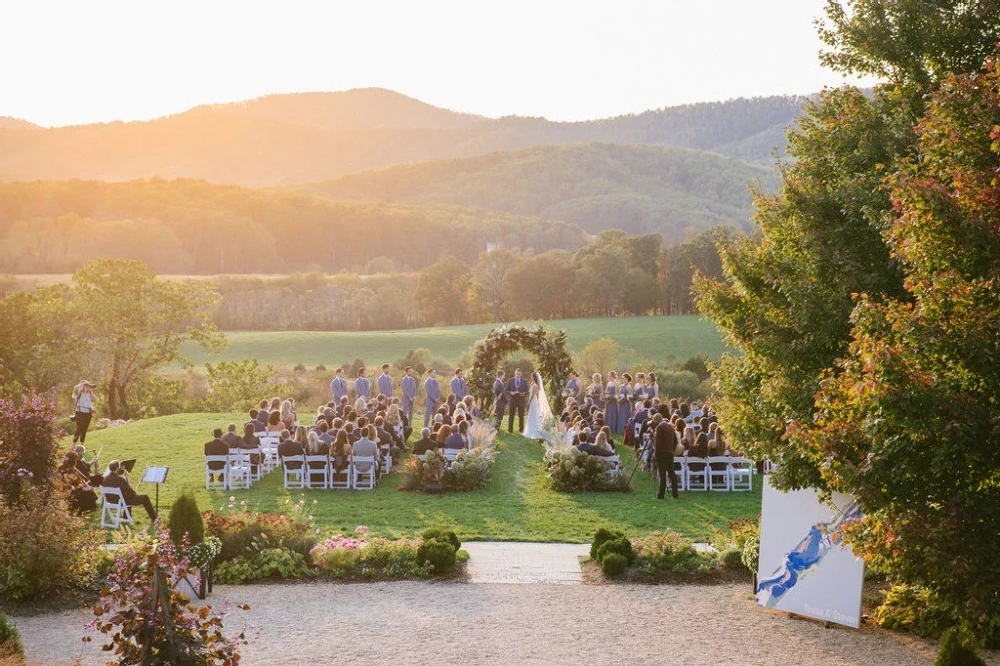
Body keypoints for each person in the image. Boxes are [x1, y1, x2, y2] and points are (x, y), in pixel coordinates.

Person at [654, 415, 680, 499]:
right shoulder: (671, 426)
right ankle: (675, 493)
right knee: (671, 473)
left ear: (656, 421)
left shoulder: (660, 428)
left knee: (662, 474)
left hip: (661, 453)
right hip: (669, 452)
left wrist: (656, 453)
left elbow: (658, 443)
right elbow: (675, 441)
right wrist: (671, 449)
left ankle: (661, 494)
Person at [522, 371, 554, 439]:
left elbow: (533, 395)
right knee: (532, 415)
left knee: (534, 415)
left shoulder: (535, 385)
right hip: (535, 401)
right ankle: (531, 429)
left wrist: (529, 402)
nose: (531, 377)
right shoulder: (534, 384)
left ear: (534, 377)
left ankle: (534, 430)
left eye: (531, 376)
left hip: (533, 401)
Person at [71, 380, 97, 445]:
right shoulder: (78, 393)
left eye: (88, 386)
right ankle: (74, 443)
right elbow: (75, 388)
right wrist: (84, 383)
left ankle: (82, 443)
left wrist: (91, 391)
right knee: (79, 428)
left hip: (88, 413)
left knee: (84, 428)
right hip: (80, 412)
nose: (87, 387)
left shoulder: (89, 393)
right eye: (86, 386)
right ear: (82, 386)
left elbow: (95, 399)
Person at [507, 368, 528, 434]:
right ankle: (510, 430)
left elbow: (527, 390)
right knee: (511, 415)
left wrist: (524, 393)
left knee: (521, 416)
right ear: (514, 373)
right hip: (512, 400)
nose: (517, 375)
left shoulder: (524, 381)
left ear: (521, 374)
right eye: (516, 374)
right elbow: (507, 390)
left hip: (521, 400)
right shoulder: (510, 380)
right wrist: (511, 393)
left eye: (519, 374)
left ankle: (521, 429)